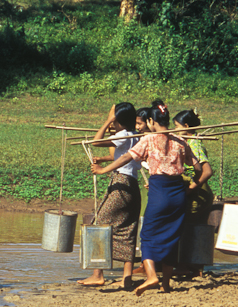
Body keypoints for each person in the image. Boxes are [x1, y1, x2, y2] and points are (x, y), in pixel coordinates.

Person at [91, 100, 200, 296]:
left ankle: (151, 276)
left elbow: (125, 158)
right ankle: (166, 284)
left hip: (159, 192)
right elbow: (198, 168)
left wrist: (102, 170)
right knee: (171, 237)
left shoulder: (148, 140)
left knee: (148, 236)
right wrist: (189, 185)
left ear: (151, 121)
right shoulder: (180, 141)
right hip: (178, 194)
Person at [79, 102, 141, 289]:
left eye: (114, 118)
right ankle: (127, 275)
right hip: (133, 185)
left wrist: (107, 122)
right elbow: (121, 155)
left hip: (120, 184)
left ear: (118, 120)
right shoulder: (136, 135)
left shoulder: (122, 135)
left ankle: (98, 274)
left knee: (100, 224)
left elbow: (96, 142)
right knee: (127, 229)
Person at [173, 109, 214, 224]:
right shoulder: (188, 142)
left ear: (186, 126)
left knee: (190, 228)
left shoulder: (194, 144)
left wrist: (190, 189)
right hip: (193, 190)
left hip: (198, 192)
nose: (175, 130)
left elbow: (207, 172)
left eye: (177, 126)